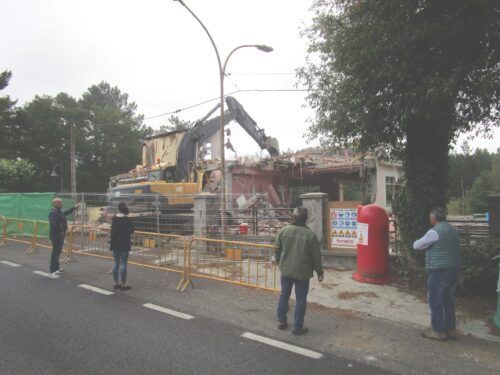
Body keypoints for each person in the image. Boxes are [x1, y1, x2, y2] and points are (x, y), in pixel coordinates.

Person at [413, 207, 461, 341]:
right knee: (448, 299)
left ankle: (438, 331)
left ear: (434, 218)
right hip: (454, 269)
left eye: (430, 217)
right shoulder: (453, 230)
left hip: (440, 271)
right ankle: (451, 329)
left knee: (435, 300)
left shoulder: (434, 232)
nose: (430, 219)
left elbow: (416, 245)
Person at [275, 206, 324, 335]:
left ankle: (281, 321)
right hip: (302, 273)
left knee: (284, 294)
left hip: (286, 270)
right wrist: (319, 271)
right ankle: (297, 327)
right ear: (306, 220)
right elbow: (316, 257)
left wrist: (279, 262)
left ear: (293, 217)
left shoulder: (283, 231)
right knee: (301, 298)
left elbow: (277, 249)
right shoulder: (310, 235)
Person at [49, 198, 79, 276]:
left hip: (60, 235)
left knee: (58, 252)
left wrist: (74, 208)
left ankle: (57, 267)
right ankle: (53, 269)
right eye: (59, 202)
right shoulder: (54, 212)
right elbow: (53, 224)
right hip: (56, 235)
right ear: (55, 204)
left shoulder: (59, 211)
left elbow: (66, 213)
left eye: (61, 202)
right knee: (55, 252)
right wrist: (61, 230)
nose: (61, 204)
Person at [110, 202, 135, 291]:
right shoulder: (127, 219)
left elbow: (112, 231)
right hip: (124, 243)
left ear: (118, 209)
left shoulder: (114, 218)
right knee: (123, 263)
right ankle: (124, 284)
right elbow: (132, 231)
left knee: (116, 262)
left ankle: (116, 283)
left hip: (115, 243)